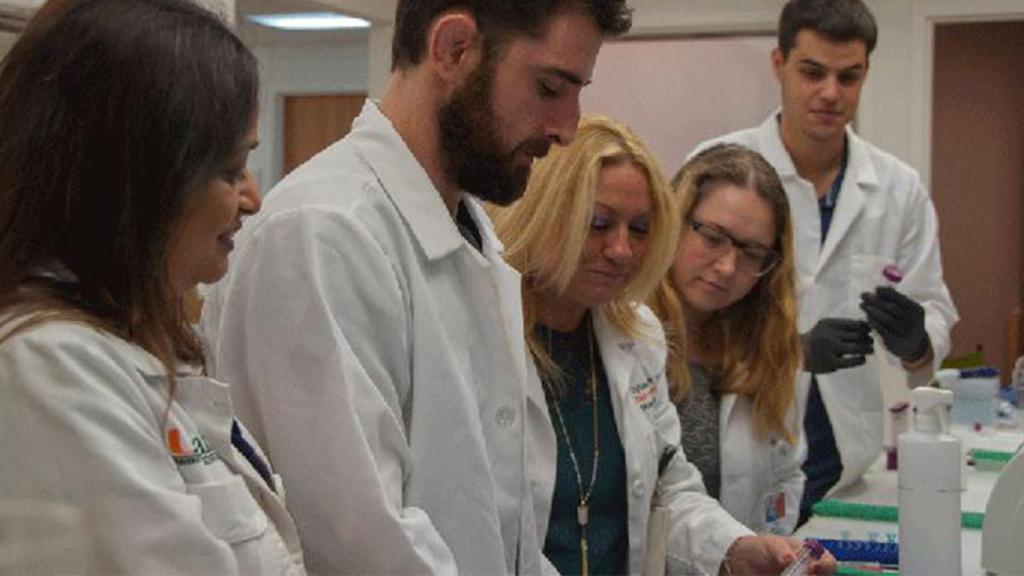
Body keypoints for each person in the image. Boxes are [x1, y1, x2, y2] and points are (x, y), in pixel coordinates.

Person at [200, 1, 632, 573]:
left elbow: (503, 534)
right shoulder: (324, 233)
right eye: (551, 87)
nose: (567, 127)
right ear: (453, 49)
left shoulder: (469, 233)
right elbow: (362, 543)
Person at [0, 0, 305, 573]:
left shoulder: (132, 350)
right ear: (141, 178)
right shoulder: (48, 368)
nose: (252, 199)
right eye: (229, 169)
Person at [493, 117, 834, 576]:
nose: (622, 250)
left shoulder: (637, 336)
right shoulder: (484, 334)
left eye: (639, 229)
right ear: (544, 210)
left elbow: (670, 491)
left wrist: (735, 549)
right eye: (598, 223)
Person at [692, 0, 959, 523]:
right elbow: (682, 312)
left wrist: (917, 340)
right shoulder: (720, 168)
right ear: (779, 64)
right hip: (735, 442)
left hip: (848, 460)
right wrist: (790, 351)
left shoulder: (897, 189)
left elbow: (933, 307)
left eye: (848, 77)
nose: (830, 93)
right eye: (812, 72)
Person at [650, 144, 805, 535]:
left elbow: (785, 478)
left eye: (752, 253)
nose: (727, 267)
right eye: (713, 237)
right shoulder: (626, 339)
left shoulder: (763, 348)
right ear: (675, 218)